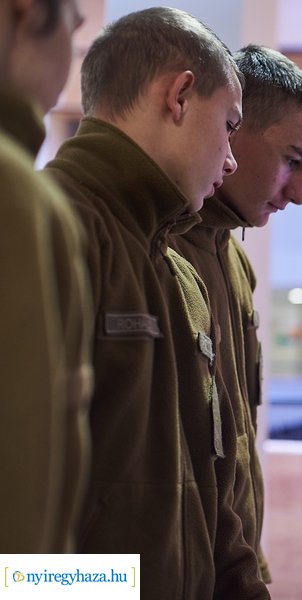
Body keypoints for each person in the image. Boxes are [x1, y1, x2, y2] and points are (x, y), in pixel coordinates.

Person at [44, 8, 268, 599]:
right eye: (229, 125)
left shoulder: (175, 268)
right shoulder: (50, 230)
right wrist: (113, 589)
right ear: (181, 96)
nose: (231, 158)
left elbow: (211, 482)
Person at [171, 44, 302, 584]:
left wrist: (249, 568)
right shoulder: (155, 249)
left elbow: (232, 445)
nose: (301, 193)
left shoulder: (233, 259)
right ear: (232, 129)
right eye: (293, 160)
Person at [0, 0, 91, 553]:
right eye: (75, 34)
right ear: (28, 12)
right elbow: (21, 537)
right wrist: (107, 586)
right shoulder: (17, 198)